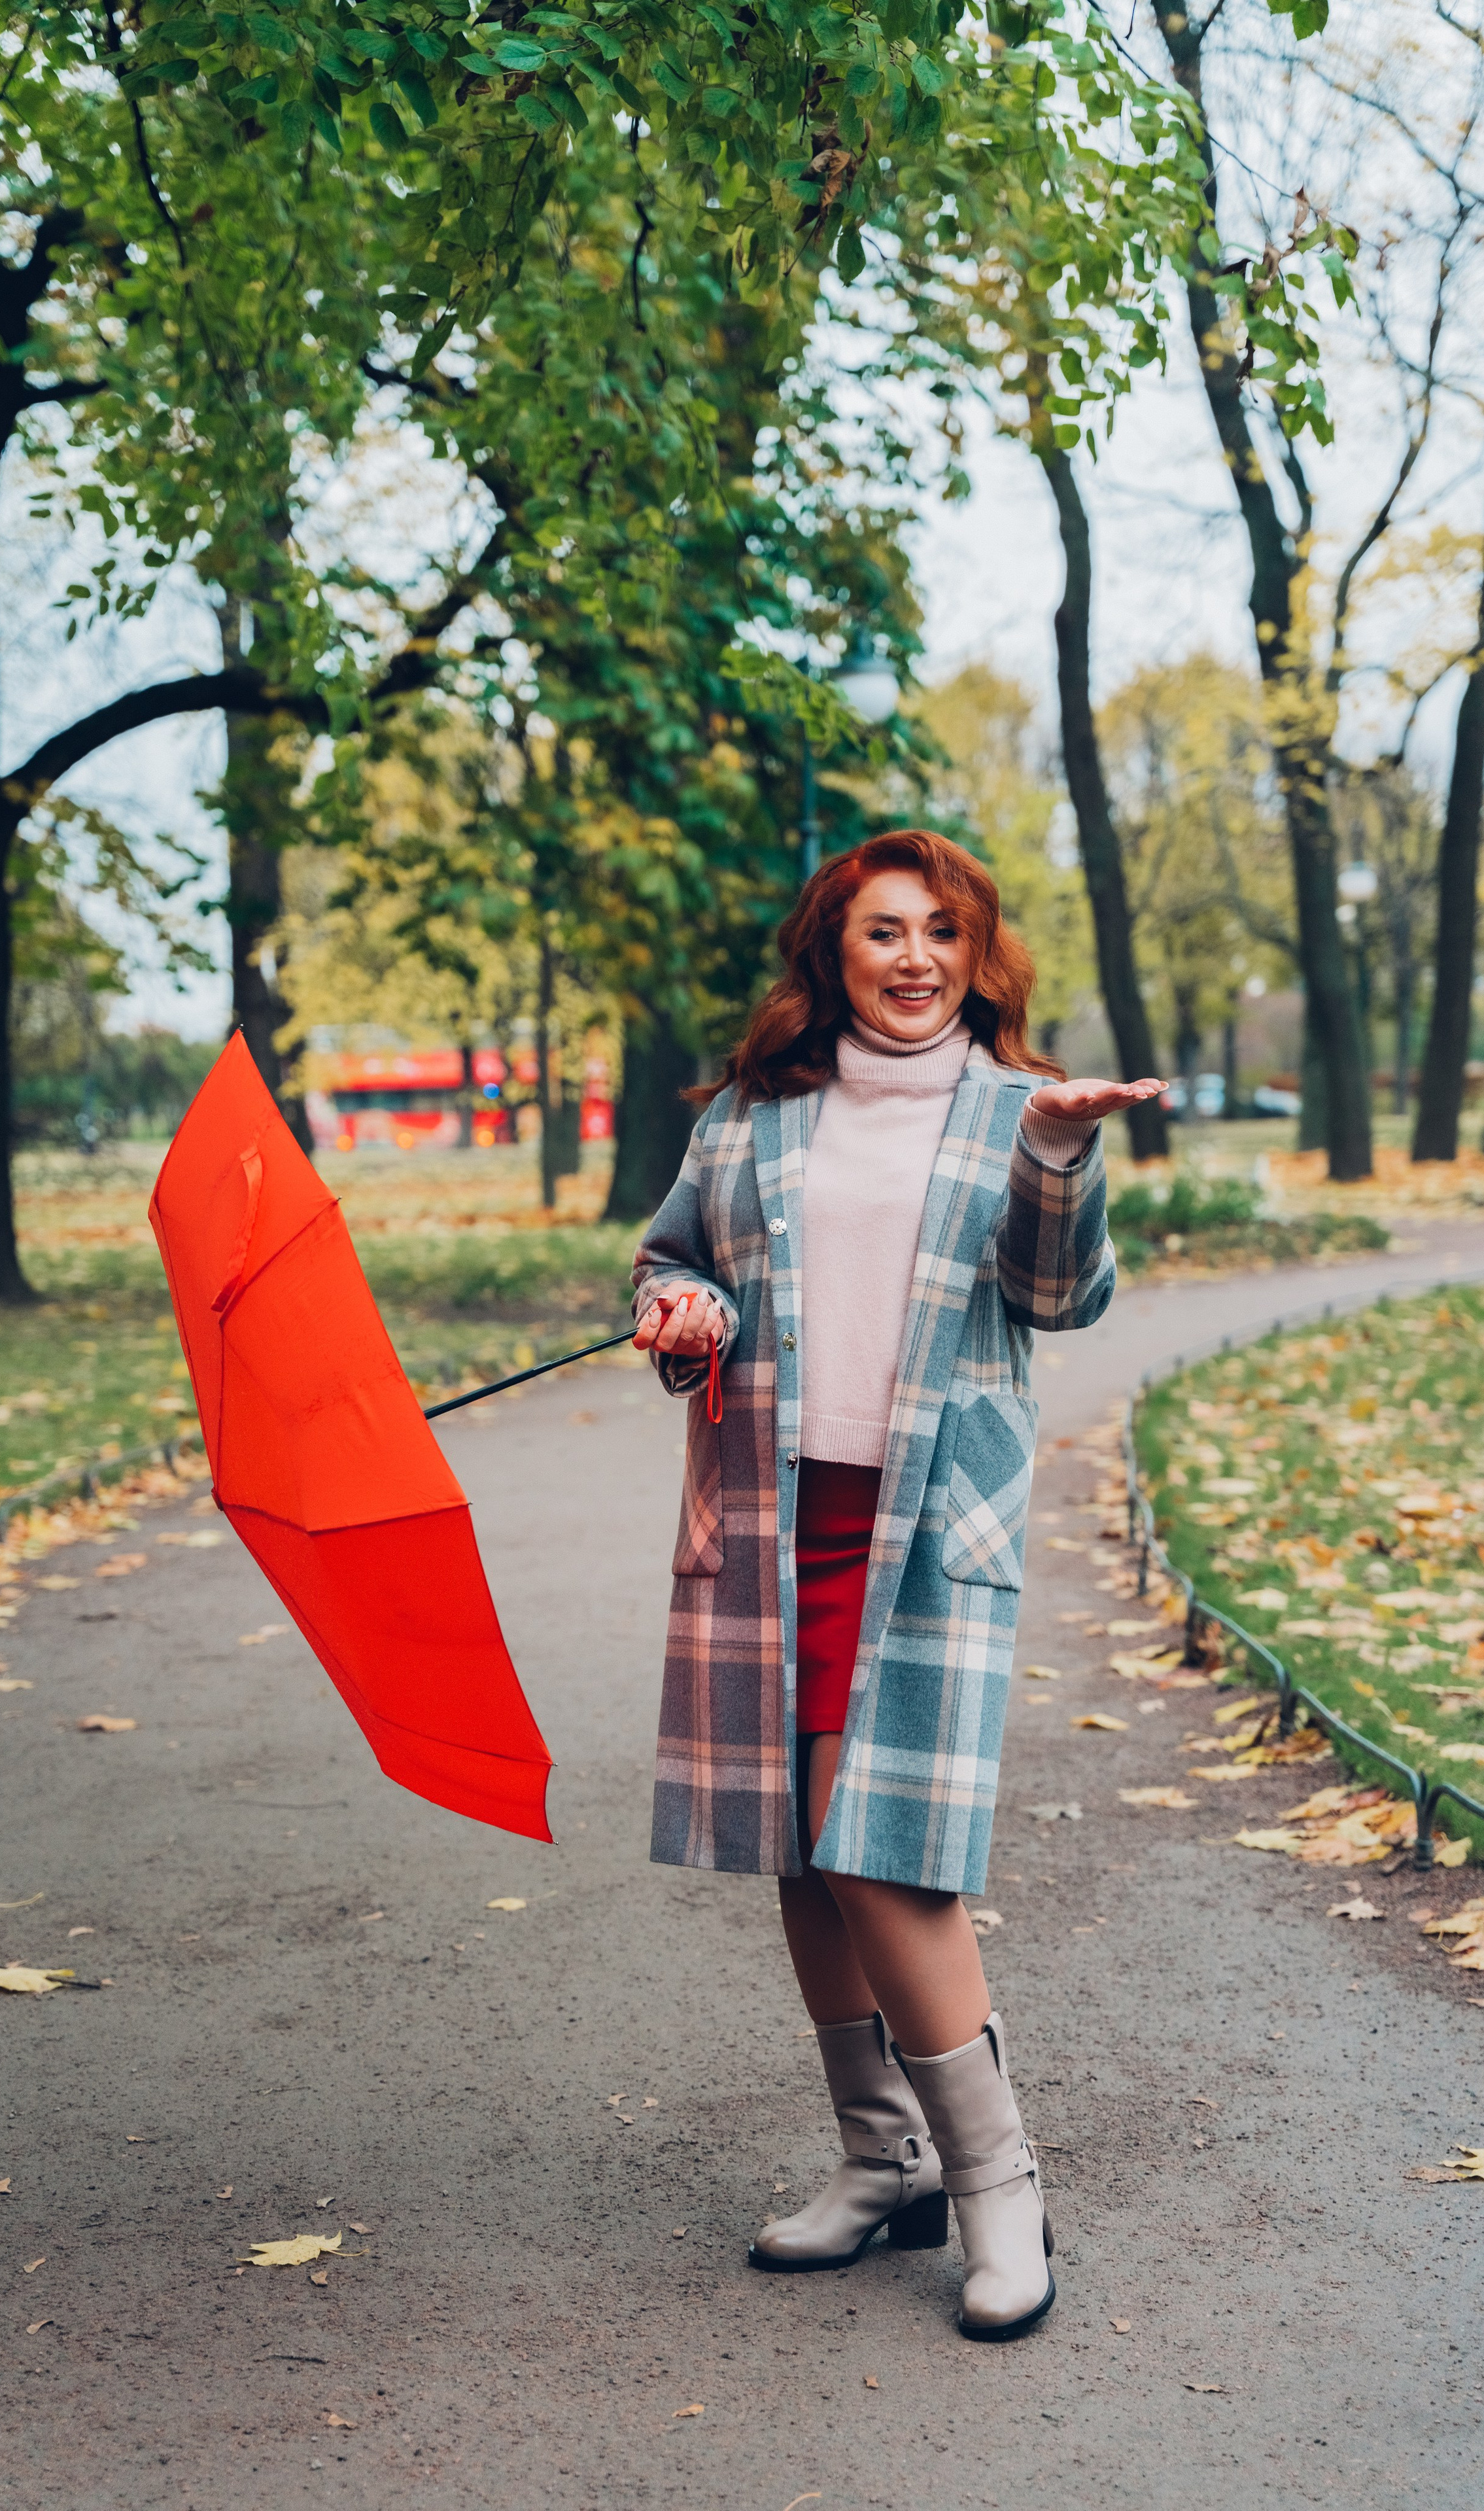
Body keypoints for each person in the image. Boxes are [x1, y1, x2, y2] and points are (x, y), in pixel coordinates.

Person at [631, 830, 1162, 2342]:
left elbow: (1059, 1298)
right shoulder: (751, 1116)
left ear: (973, 951)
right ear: (833, 952)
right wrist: (677, 1306)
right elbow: (679, 1265)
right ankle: (883, 2159)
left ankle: (998, 2179)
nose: (914, 956)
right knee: (801, 1847)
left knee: (886, 1855)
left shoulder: (1018, 1109)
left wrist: (1055, 1159)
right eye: (883, 931)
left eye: (941, 929)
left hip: (924, 1522)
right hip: (768, 1511)